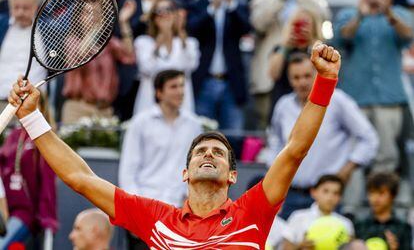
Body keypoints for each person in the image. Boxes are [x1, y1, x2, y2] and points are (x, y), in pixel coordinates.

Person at [7, 42, 341, 249]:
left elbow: (295, 148)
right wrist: (33, 118)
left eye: (219, 153)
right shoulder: (156, 219)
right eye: (200, 152)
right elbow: (81, 178)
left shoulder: (253, 211)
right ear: (185, 173)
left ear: (233, 176)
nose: (208, 153)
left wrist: (324, 81)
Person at [263, 52, 378, 219]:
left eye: (307, 76)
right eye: (296, 77)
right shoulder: (283, 105)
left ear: (317, 73)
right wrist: (274, 173)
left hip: (326, 195)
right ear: (289, 79)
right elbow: (275, 142)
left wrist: (346, 171)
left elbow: (369, 138)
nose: (302, 82)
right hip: (290, 193)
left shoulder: (337, 100)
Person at [334, 0, 413, 173]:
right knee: (353, 156)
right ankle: (352, 205)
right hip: (355, 99)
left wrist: (389, 14)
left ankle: (383, 203)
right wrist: (360, 15)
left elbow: (408, 35)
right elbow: (342, 38)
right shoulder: (348, 14)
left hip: (389, 99)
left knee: (387, 156)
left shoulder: (399, 14)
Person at [119, 70, 202, 248]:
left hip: (180, 212)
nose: (180, 91)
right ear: (159, 92)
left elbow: (197, 170)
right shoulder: (140, 123)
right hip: (145, 210)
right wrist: (135, 213)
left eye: (182, 86)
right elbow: (128, 171)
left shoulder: (194, 125)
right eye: (173, 86)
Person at [249, 0, 329, 129]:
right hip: (274, 77)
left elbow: (324, 14)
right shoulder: (261, 0)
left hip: (308, 65)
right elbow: (258, 22)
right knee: (274, 129)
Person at [60, 0, 136, 124]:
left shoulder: (108, 43)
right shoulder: (71, 41)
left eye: (96, 13)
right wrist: (95, 29)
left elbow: (129, 56)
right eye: (87, 13)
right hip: (77, 109)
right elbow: (81, 56)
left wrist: (124, 22)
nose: (93, 17)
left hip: (105, 112)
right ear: (78, 17)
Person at [187, 0, 251, 130]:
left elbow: (245, 27)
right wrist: (212, 7)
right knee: (202, 133)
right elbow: (193, 28)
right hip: (204, 81)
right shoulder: (197, 5)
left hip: (231, 82)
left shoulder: (238, 6)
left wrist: (229, 2)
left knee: (233, 135)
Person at [0, 92, 58, 248]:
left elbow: (48, 184)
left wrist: (47, 220)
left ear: (41, 107)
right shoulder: (12, 135)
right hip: (4, 210)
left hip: (24, 214)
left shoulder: (45, 138)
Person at [133, 0, 200, 114]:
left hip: (181, 106)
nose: (165, 15)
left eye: (169, 10)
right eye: (159, 11)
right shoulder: (143, 42)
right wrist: (160, 41)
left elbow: (189, 66)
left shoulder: (189, 43)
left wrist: (180, 35)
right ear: (153, 17)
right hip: (150, 104)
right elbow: (147, 68)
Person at [0, 0, 46, 114]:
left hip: (34, 106)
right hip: (2, 102)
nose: (20, 12)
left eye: (25, 8)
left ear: (35, 6)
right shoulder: (1, 26)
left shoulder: (48, 30)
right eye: (16, 7)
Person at [267, 8, 323, 111]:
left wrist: (312, 43)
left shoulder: (320, 48)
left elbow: (324, 73)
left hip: (313, 106)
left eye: (305, 24)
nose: (301, 29)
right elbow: (273, 74)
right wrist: (285, 46)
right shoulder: (280, 49)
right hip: (284, 106)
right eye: (297, 25)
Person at [282, 175, 355, 249]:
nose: (330, 197)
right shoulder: (298, 217)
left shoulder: (346, 223)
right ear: (313, 192)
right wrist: (300, 246)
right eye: (325, 191)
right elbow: (285, 248)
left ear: (340, 197)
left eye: (336, 193)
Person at [354, 172, 412, 250]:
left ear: (393, 195)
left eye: (381, 193)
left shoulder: (404, 227)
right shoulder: (359, 225)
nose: (375, 198)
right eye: (371, 193)